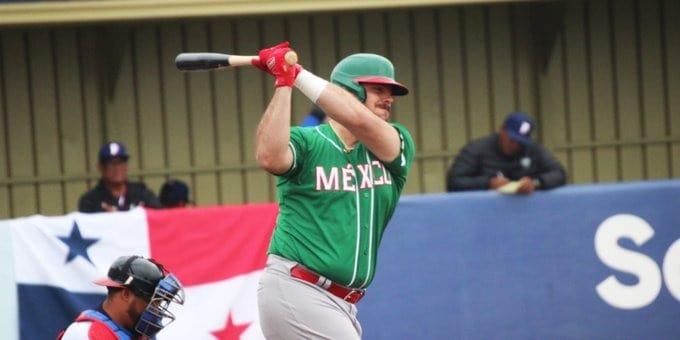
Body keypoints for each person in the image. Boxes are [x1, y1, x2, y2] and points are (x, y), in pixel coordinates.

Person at [251, 42, 415, 339]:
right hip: (298, 287)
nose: (389, 98)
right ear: (347, 91)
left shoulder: (395, 141)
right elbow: (269, 156)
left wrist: (296, 73)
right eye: (378, 89)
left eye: (390, 91)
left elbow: (357, 119)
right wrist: (284, 82)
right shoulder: (309, 142)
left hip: (343, 303)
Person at [58, 255, 185, 339]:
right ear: (126, 294)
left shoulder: (138, 334)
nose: (156, 310)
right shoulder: (85, 334)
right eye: (152, 301)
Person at [446, 112, 567, 193]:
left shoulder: (533, 149)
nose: (514, 145)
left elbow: (559, 173)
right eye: (511, 139)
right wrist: (487, 183)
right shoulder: (476, 149)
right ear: (502, 130)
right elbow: (454, 182)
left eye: (520, 142)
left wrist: (536, 183)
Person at [78, 142, 161, 212]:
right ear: (100, 168)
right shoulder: (90, 200)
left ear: (126, 167)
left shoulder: (142, 193)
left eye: (121, 163)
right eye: (111, 164)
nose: (117, 168)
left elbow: (159, 215)